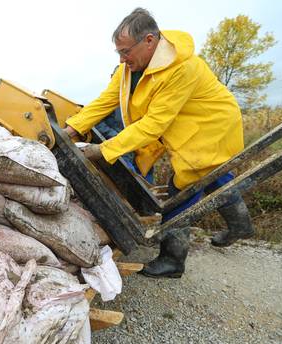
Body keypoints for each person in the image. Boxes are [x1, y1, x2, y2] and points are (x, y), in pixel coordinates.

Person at [64, 8, 255, 278]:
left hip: (211, 127)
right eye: (118, 52)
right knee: (213, 176)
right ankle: (240, 224)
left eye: (126, 51)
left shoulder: (181, 68)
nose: (121, 58)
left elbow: (154, 124)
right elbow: (104, 101)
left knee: (180, 192)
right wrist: (71, 129)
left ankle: (173, 260)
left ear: (150, 41)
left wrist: (103, 149)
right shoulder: (130, 69)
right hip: (188, 124)